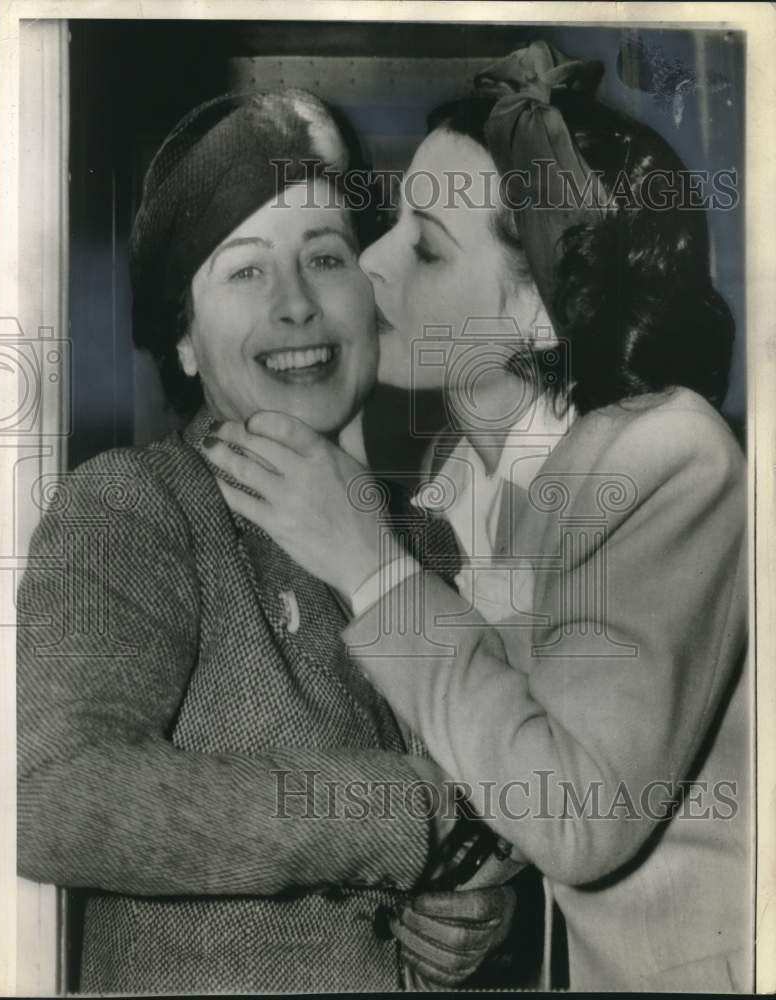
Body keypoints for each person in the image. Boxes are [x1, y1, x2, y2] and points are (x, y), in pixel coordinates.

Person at [204, 45, 751, 992]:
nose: (370, 265)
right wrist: (491, 899)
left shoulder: (669, 458)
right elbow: (502, 750)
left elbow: (578, 814)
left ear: (540, 308)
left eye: (424, 248)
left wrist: (370, 566)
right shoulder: (451, 481)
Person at [16, 89, 519, 993]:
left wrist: (475, 908)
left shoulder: (425, 544)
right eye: (245, 271)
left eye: (325, 257)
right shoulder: (139, 508)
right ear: (184, 341)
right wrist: (399, 813)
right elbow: (49, 797)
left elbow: (491, 800)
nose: (296, 306)